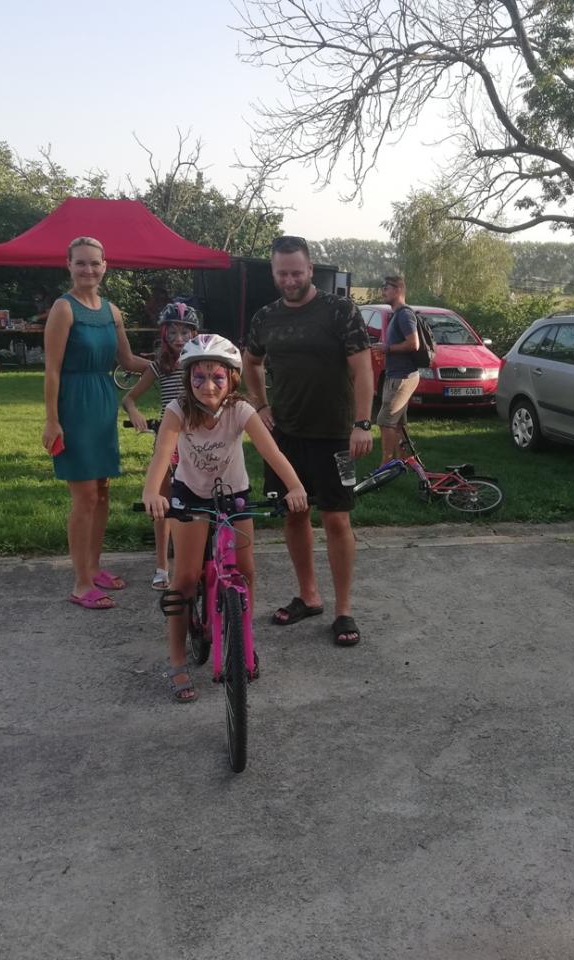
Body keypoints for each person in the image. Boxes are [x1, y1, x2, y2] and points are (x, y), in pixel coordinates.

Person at [141, 333, 308, 703]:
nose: (208, 386)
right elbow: (162, 454)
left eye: (217, 377)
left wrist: (295, 486)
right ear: (188, 379)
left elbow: (272, 452)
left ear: (231, 379)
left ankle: (244, 641)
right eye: (198, 377)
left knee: (245, 571)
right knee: (185, 579)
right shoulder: (178, 411)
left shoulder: (241, 410)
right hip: (190, 494)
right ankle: (177, 659)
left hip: (233, 494)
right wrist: (152, 492)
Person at [243, 235, 374, 647]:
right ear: (273, 272)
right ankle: (309, 595)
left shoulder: (339, 310)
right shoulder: (265, 317)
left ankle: (343, 609)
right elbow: (251, 361)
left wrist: (362, 423)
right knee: (294, 515)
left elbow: (363, 370)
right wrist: (260, 405)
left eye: (296, 272)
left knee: (337, 518)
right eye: (282, 273)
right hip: (285, 436)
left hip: (335, 435)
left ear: (310, 269)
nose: (289, 280)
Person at [42, 236, 151, 609]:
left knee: (102, 490)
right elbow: (52, 370)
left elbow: (128, 361)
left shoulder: (112, 311)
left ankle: (93, 566)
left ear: (105, 266)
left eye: (94, 263)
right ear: (69, 265)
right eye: (81, 263)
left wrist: (170, 362)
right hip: (74, 404)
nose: (88, 269)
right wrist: (52, 420)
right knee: (85, 495)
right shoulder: (63, 309)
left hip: (103, 401)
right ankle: (80, 583)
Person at [121, 301, 202, 590]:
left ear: (194, 334)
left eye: (185, 332)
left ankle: (197, 560)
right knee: (162, 502)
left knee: (198, 501)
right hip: (168, 440)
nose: (179, 339)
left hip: (198, 439)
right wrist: (134, 412)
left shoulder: (201, 362)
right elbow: (129, 397)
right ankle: (161, 566)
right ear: (164, 334)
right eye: (173, 333)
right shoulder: (160, 366)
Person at [370, 275, 420, 465]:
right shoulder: (397, 315)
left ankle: (386, 464)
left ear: (398, 289)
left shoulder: (405, 314)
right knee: (398, 423)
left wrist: (388, 348)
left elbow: (413, 344)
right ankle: (406, 460)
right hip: (397, 375)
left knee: (385, 421)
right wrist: (386, 349)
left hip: (402, 377)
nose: (383, 291)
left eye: (386, 287)